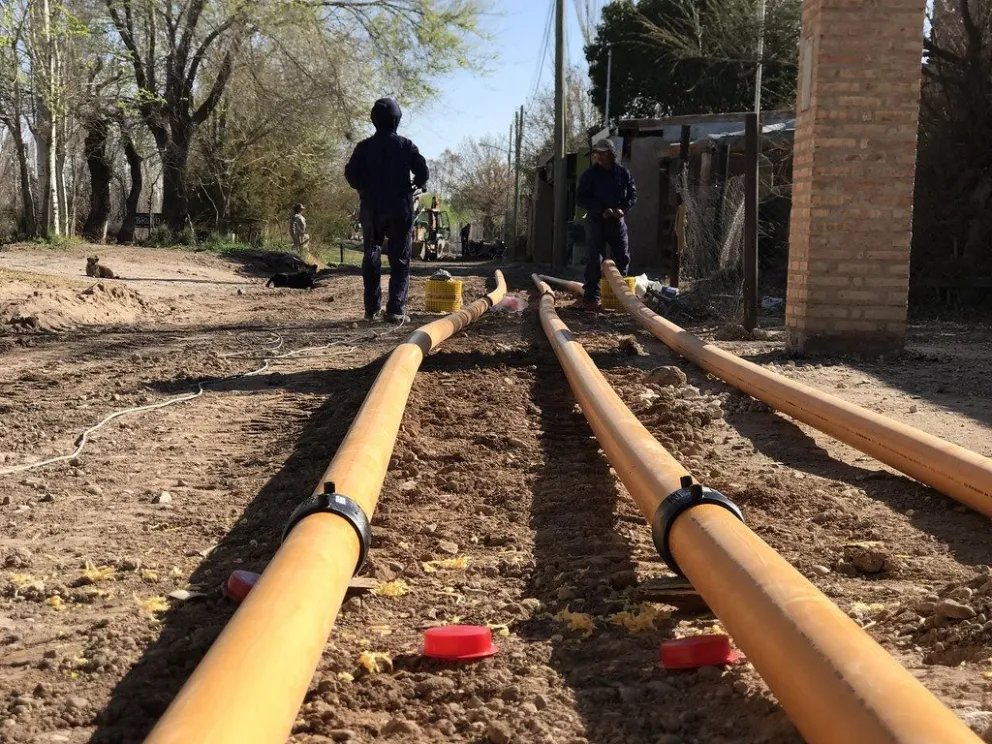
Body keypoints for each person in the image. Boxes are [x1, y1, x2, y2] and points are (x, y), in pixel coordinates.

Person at [345, 98, 429, 323]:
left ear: (374, 120)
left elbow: (350, 174)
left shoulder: (363, 147)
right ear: (397, 120)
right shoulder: (406, 145)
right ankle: (395, 309)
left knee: (371, 255)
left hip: (371, 207)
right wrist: (418, 182)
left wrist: (363, 188)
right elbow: (422, 171)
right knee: (400, 258)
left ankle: (371, 309)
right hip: (399, 208)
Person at [575, 139, 638, 311]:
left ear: (611, 154)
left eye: (602, 154)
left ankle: (619, 296)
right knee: (595, 258)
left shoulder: (623, 173)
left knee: (622, 257)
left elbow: (632, 194)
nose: (599, 157)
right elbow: (580, 198)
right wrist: (601, 209)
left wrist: (623, 209)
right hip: (596, 220)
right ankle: (591, 298)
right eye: (597, 154)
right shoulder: (590, 175)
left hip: (616, 221)